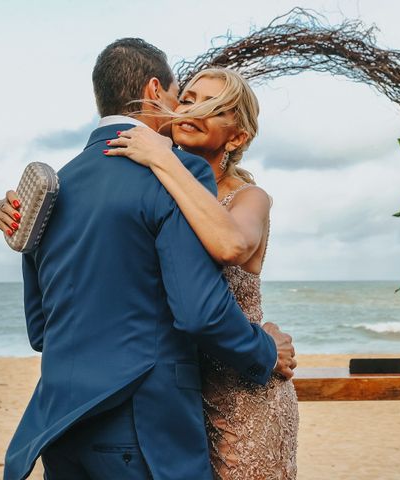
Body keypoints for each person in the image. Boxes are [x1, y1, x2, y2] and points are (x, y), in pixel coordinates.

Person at [0, 38, 296, 480]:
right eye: (183, 97)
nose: (185, 110)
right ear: (156, 91)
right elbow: (198, 312)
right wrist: (264, 350)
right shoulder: (170, 172)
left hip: (63, 424)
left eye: (207, 105)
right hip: (146, 422)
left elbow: (41, 328)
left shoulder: (53, 186)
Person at [104, 67, 300, 479]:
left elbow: (232, 245)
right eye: (189, 100)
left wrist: (161, 155)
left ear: (237, 137)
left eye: (214, 107)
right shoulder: (153, 189)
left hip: (246, 394)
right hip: (175, 401)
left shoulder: (250, 197)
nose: (194, 111)